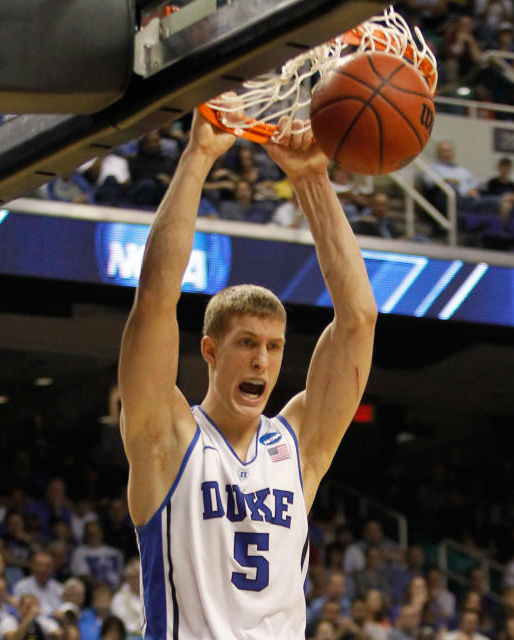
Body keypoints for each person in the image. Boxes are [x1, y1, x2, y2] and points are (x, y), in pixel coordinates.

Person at [117, 111, 376, 637]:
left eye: (275, 347)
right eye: (247, 344)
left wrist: (311, 179)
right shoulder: (166, 438)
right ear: (210, 351)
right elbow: (155, 302)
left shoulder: (298, 443)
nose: (262, 360)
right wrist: (198, 157)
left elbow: (358, 319)